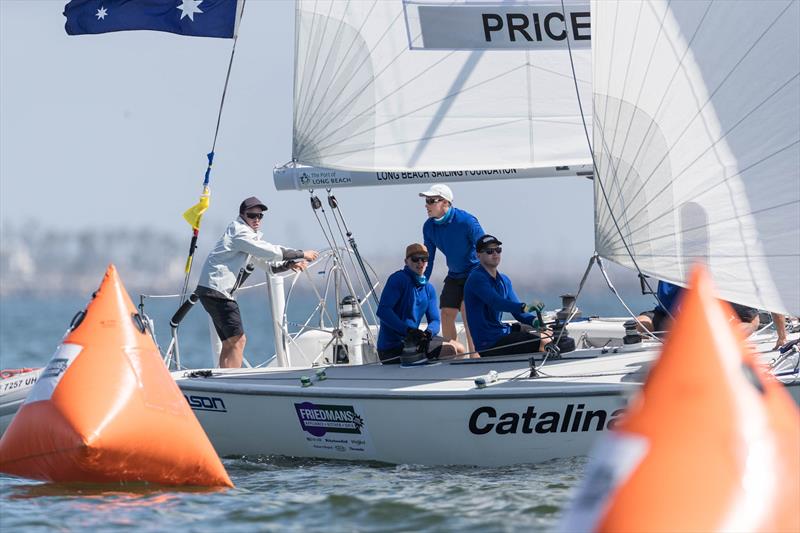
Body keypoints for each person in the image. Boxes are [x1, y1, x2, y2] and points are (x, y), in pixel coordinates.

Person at [196, 196, 319, 368]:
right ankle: (232, 384)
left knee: (229, 342)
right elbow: (269, 251)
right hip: (217, 291)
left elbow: (268, 265)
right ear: (242, 215)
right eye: (252, 215)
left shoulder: (247, 239)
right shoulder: (240, 232)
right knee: (239, 341)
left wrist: (290, 264)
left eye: (260, 216)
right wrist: (301, 253)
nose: (256, 219)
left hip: (210, 290)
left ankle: (223, 379)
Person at [419, 183, 484, 353]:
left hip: (474, 273)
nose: (427, 205)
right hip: (455, 275)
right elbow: (429, 258)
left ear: (446, 203)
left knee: (467, 311)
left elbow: (484, 246)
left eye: (431, 200)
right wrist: (421, 281)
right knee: (446, 313)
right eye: (426, 200)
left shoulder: (467, 221)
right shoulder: (429, 227)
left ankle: (475, 357)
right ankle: (453, 354)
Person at [376, 243, 467, 364]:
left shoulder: (428, 288)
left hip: (415, 342)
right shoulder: (398, 279)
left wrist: (428, 333)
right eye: (415, 259)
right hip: (391, 349)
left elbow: (435, 321)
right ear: (406, 261)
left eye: (424, 259)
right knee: (449, 350)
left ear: (428, 262)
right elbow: (383, 311)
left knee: (460, 349)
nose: (420, 263)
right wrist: (408, 331)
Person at [463, 235, 550, 357]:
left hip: (502, 333)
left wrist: (534, 321)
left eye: (498, 250)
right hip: (489, 343)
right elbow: (496, 302)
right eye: (489, 251)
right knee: (545, 342)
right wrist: (525, 306)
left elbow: (519, 314)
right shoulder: (476, 278)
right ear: (478, 255)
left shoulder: (504, 280)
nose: (495, 254)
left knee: (551, 335)